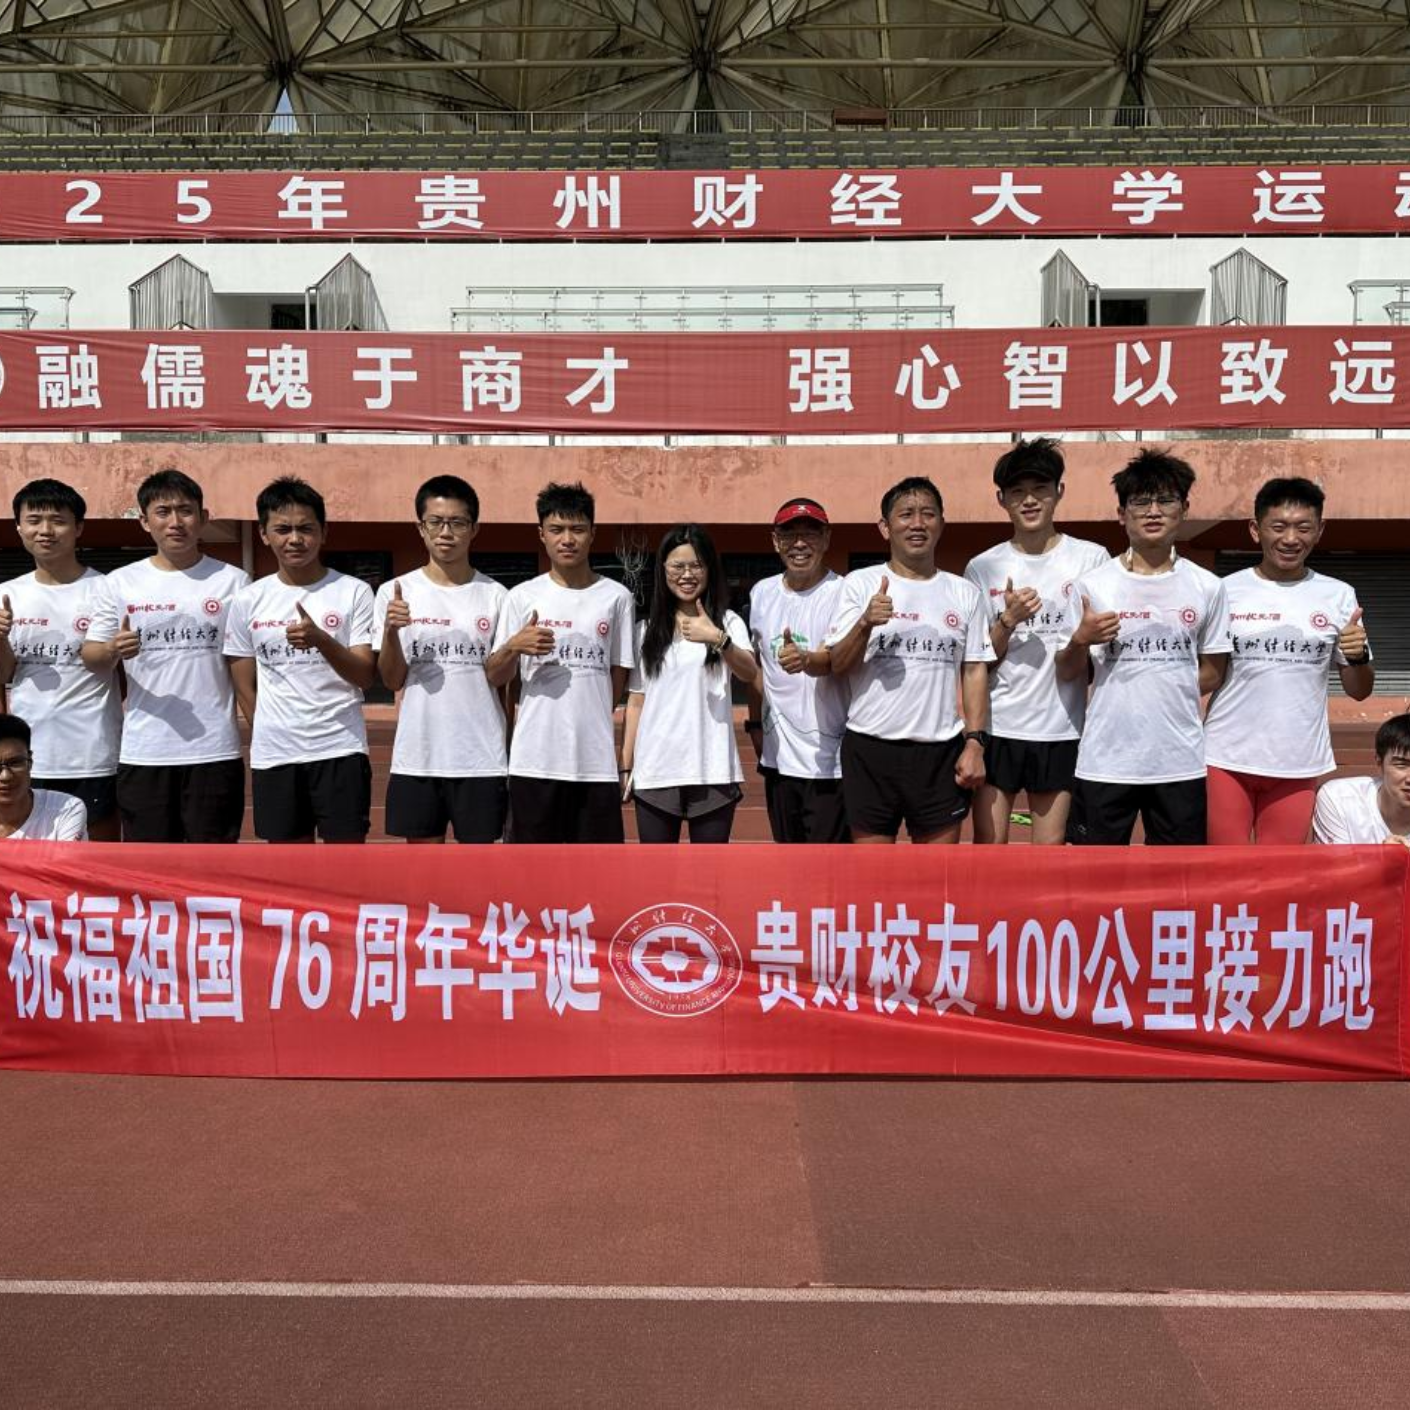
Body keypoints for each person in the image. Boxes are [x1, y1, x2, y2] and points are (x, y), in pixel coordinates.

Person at [1057, 449, 1231, 846]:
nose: (1153, 511)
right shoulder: (1092, 586)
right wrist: (1080, 640)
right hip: (1106, 759)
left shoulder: (1208, 586)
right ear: (1122, 514)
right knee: (1094, 872)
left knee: (1177, 876)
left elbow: (1214, 671)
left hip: (1179, 761)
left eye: (1166, 500)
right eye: (1141, 502)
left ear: (1184, 509)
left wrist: (1164, 687)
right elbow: (1066, 671)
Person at [81, 468, 249, 843]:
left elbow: (243, 664)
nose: (175, 522)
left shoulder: (234, 581)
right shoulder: (119, 582)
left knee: (213, 860)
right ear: (144, 521)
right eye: (163, 512)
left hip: (214, 750)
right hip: (146, 751)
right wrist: (112, 649)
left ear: (204, 518)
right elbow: (91, 654)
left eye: (185, 510)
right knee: (148, 864)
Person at [825, 476, 994, 844]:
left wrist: (975, 743)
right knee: (873, 874)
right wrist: (865, 623)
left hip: (939, 752)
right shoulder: (859, 584)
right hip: (870, 748)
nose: (917, 524)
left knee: (937, 874)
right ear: (885, 527)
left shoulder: (964, 593)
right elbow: (838, 664)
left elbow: (975, 670)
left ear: (941, 524)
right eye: (905, 515)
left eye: (928, 514)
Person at [1203, 477, 1373, 844]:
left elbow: (1359, 691)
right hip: (1224, 756)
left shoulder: (1339, 595)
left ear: (1320, 531)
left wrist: (1357, 657)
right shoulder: (1224, 591)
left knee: (1281, 871)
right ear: (1256, 530)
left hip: (1298, 761)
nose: (1291, 539)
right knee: (1223, 867)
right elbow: (1208, 673)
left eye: (1303, 528)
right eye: (1278, 527)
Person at [962, 439, 1109, 845]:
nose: (1029, 500)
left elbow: (1092, 661)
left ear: (1059, 491)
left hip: (1061, 730)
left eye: (1040, 489)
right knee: (988, 849)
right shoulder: (982, 567)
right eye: (1017, 492)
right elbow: (978, 662)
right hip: (998, 728)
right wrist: (1007, 621)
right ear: (1002, 499)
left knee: (1049, 854)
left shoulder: (1092, 560)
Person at [224, 476, 376, 844]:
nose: (295, 539)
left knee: (347, 858)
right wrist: (271, 730)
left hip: (340, 748)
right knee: (286, 861)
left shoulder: (354, 591)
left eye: (306, 528)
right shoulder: (248, 599)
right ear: (264, 534)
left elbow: (365, 676)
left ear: (324, 532)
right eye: (283, 529)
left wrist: (321, 640)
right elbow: (243, 682)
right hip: (276, 756)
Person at [487, 482, 634, 843]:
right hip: (534, 761)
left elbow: (618, 674)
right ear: (542, 534)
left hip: (594, 763)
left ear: (592, 533)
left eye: (577, 529)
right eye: (556, 529)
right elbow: (494, 675)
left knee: (598, 870)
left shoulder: (617, 597)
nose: (567, 539)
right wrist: (513, 646)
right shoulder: (521, 597)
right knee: (531, 870)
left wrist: (591, 714)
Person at [373, 475, 509, 843]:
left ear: (474, 529)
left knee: (480, 868)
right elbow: (392, 680)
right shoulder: (394, 593)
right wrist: (390, 632)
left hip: (481, 758)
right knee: (422, 867)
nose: (446, 532)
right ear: (421, 528)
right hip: (418, 755)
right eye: (435, 522)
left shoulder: (496, 595)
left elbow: (501, 679)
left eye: (457, 522)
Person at [0, 479, 122, 841]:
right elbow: (5, 673)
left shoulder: (106, 589)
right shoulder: (7, 593)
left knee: (95, 857)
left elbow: (106, 662)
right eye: (34, 520)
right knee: (24, 857)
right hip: (27, 758)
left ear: (78, 527)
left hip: (92, 754)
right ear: (19, 527)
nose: (45, 530)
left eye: (58, 521)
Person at [622, 524, 758, 844]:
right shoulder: (645, 631)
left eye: (696, 565)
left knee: (710, 871)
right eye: (677, 566)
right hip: (656, 770)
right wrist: (626, 766)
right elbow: (637, 702)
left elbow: (749, 672)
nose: (687, 574)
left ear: (710, 569)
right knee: (656, 870)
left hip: (712, 768)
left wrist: (717, 639)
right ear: (663, 570)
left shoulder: (728, 622)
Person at [746, 498, 850, 844]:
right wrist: (755, 724)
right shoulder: (762, 593)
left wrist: (808, 660)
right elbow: (756, 666)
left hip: (831, 761)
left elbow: (839, 660)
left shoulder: (844, 592)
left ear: (827, 538)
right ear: (775, 541)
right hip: (779, 759)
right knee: (787, 861)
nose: (800, 544)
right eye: (790, 535)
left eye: (811, 534)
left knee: (830, 866)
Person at [1312, 714, 1410, 845]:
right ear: (1379, 762)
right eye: (1401, 765)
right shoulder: (1339, 799)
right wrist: (1384, 854)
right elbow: (1336, 858)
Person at [0, 714, 88, 841]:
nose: (5, 776)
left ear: (30, 761)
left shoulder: (67, 809)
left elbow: (69, 855)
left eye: (15, 763)